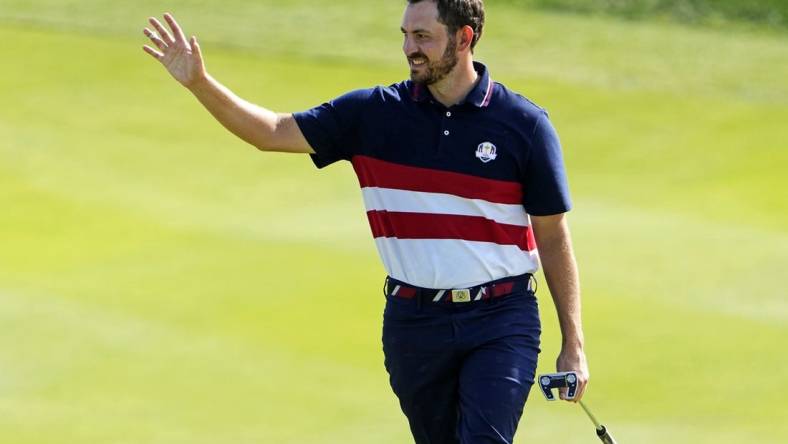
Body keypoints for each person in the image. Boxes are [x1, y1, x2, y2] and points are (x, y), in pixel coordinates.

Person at [142, 1, 588, 443]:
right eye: (405, 35)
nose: (409, 48)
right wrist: (200, 84)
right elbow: (273, 132)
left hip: (500, 317)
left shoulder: (524, 125)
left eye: (422, 37)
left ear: (464, 37)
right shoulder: (373, 114)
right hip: (414, 323)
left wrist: (574, 344)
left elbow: (552, 236)